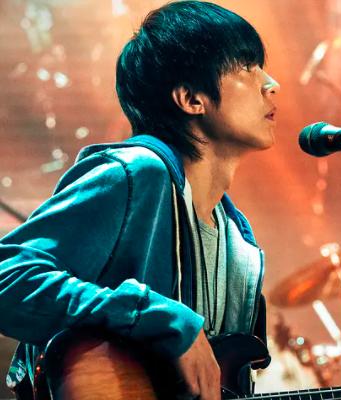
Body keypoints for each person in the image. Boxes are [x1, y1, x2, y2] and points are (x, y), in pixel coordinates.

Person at [0, 2, 278, 399]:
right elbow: (7, 276)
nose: (271, 84)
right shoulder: (136, 173)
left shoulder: (240, 245)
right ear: (191, 98)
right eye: (247, 67)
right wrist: (152, 316)